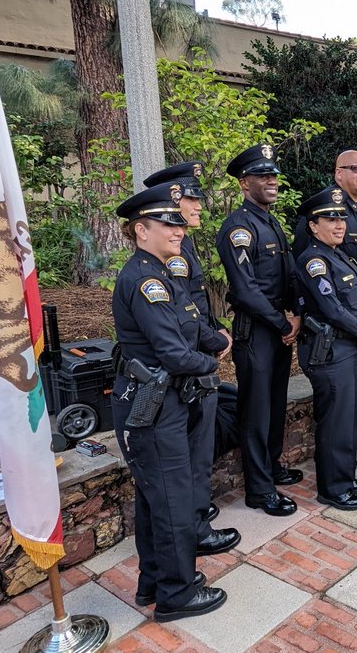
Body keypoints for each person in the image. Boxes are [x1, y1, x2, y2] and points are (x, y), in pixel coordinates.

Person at [110, 185, 228, 622]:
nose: (178, 230)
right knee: (173, 499)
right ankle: (177, 594)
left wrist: (205, 348)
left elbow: (190, 327)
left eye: (178, 222)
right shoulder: (144, 280)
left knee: (156, 498)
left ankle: (153, 582)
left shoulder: (160, 272)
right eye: (168, 224)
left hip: (165, 399)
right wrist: (211, 362)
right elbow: (174, 353)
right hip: (153, 405)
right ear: (141, 231)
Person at [138, 162, 240, 554]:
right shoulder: (170, 257)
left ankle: (195, 517)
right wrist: (213, 343)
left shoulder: (184, 247)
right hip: (188, 366)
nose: (200, 206)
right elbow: (183, 315)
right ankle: (195, 527)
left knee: (198, 449)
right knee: (192, 455)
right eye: (192, 198)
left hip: (195, 358)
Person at [216, 144, 300, 517]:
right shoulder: (239, 227)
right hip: (258, 332)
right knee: (256, 410)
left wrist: (296, 314)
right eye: (262, 176)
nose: (271, 181)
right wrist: (283, 322)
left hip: (280, 330)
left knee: (276, 405)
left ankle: (272, 466)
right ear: (243, 182)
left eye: (273, 175)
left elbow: (291, 276)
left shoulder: (270, 222)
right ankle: (258, 489)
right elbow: (246, 289)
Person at [295, 186, 357, 510]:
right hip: (330, 353)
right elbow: (332, 308)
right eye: (329, 219)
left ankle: (345, 475)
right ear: (312, 225)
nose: (338, 224)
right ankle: (332, 488)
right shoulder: (313, 261)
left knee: (347, 418)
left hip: (350, 349)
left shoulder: (343, 257)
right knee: (334, 421)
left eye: (341, 218)